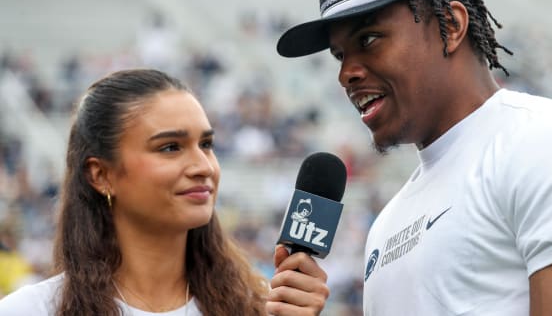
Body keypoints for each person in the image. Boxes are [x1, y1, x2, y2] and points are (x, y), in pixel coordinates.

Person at [276, 0, 552, 316]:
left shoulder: (547, 145)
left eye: (368, 40)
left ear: (451, 26)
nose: (346, 73)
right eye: (339, 55)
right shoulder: (386, 225)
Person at [0, 68, 329, 315]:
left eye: (207, 144)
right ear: (100, 175)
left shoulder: (259, 305)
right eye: (170, 147)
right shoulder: (32, 310)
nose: (204, 166)